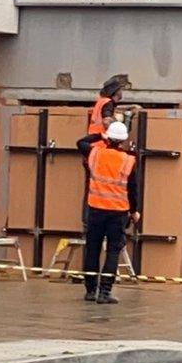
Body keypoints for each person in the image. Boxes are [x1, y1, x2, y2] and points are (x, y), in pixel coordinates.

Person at [76, 121, 140, 304]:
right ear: (124, 141)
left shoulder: (95, 153)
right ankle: (105, 292)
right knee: (113, 251)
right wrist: (134, 211)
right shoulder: (129, 161)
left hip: (95, 208)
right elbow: (133, 190)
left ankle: (90, 290)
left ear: (109, 137)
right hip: (118, 212)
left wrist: (99, 136)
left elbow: (80, 143)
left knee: (92, 249)